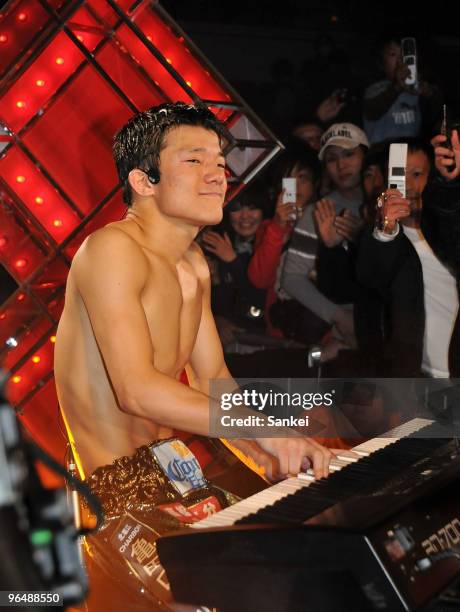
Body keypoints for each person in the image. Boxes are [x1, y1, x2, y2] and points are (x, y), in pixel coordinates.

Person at [54, 103, 332, 609]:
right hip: (118, 502)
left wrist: (266, 451)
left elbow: (212, 383)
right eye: (194, 160)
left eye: (220, 162)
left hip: (180, 480)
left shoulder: (191, 260)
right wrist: (267, 432)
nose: (218, 174)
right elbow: (135, 389)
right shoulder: (110, 249)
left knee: (315, 571)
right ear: (144, 180)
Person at [356, 138, 458, 377]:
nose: (409, 186)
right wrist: (386, 228)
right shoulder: (386, 237)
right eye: (401, 173)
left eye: (417, 174)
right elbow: (369, 277)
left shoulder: (447, 230)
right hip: (419, 377)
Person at [280, 123, 369, 348]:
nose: (341, 165)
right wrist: (338, 315)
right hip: (343, 334)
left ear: (366, 155)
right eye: (332, 159)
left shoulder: (391, 203)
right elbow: (291, 278)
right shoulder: (319, 211)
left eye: (349, 154)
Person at [363, 35, 442, 144]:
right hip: (382, 155)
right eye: (393, 54)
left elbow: (439, 114)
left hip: (410, 154)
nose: (400, 60)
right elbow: (371, 111)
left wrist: (429, 93)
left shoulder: (418, 88)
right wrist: (397, 86)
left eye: (405, 54)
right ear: (381, 62)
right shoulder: (374, 89)